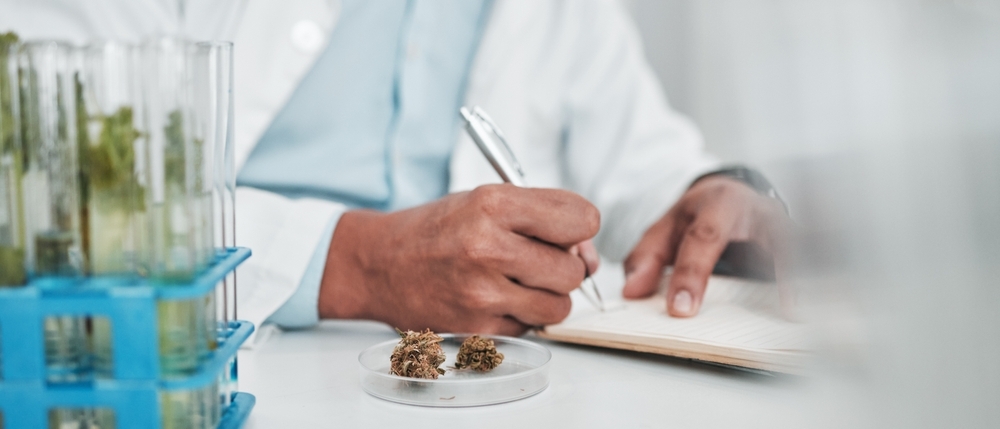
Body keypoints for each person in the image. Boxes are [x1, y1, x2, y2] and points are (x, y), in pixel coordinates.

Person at [3, 0, 792, 336]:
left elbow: (641, 162)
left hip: (494, 380)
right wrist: (356, 265)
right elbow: (47, 177)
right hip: (233, 368)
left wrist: (707, 192)